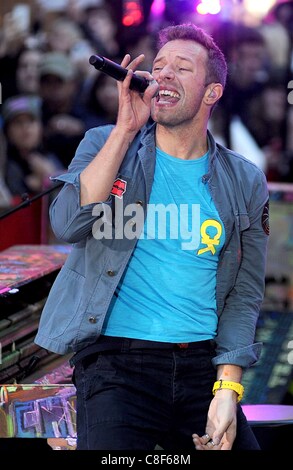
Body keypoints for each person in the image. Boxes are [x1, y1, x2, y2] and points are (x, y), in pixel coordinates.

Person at [35, 23, 269, 451]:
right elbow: (68, 224)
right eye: (158, 66)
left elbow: (245, 291)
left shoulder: (245, 179)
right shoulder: (105, 142)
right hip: (116, 364)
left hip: (202, 362)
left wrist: (227, 389)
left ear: (211, 92)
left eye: (181, 68)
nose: (162, 75)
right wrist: (125, 130)